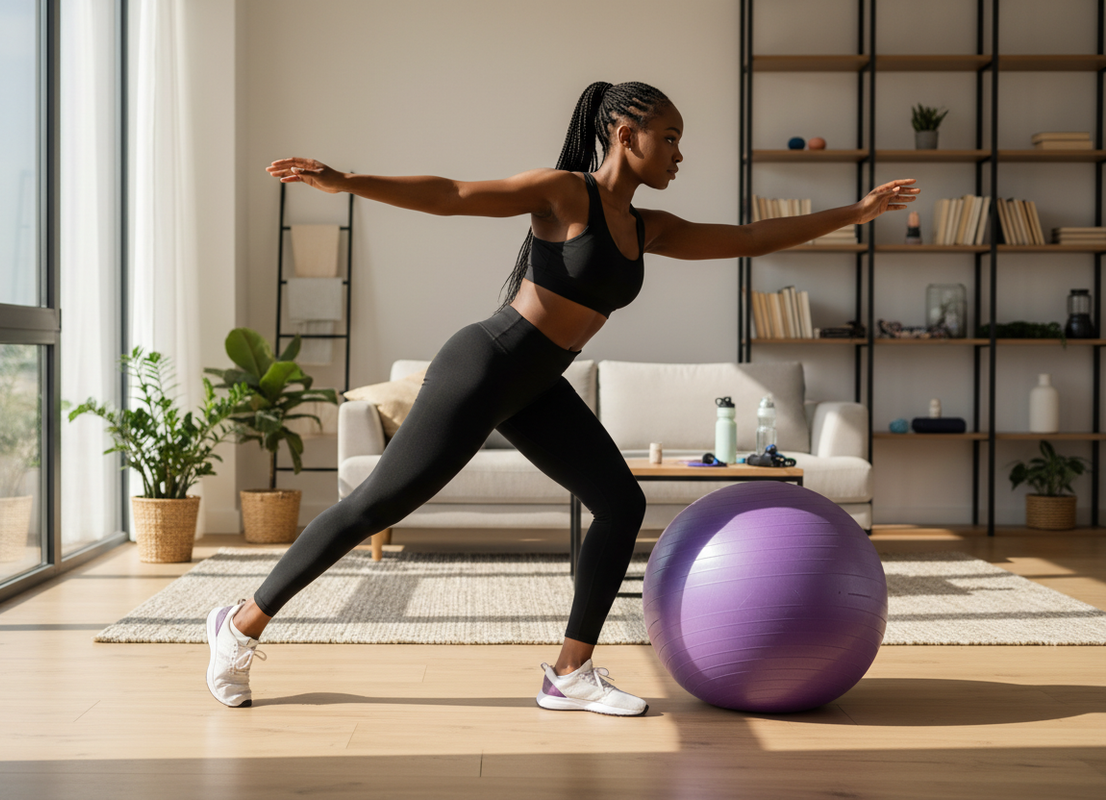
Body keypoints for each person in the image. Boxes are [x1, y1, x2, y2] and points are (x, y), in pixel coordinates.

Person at [206, 81, 919, 716]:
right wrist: (347, 181)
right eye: (670, 137)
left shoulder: (648, 227)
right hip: (485, 366)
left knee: (620, 502)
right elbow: (453, 195)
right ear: (625, 134)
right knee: (375, 507)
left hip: (537, 381)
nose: (679, 154)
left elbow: (751, 237)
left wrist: (854, 212)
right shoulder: (565, 194)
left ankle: (569, 675)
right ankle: (239, 626)